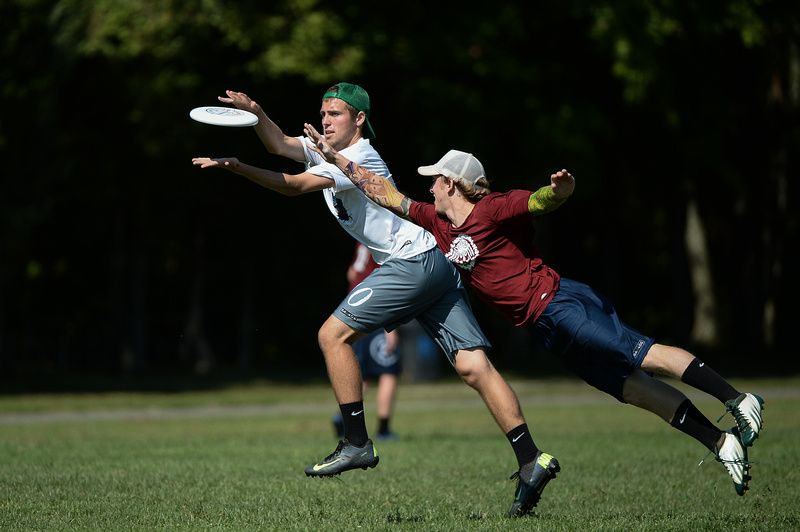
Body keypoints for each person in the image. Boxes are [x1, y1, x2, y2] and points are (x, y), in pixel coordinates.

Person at [303, 128, 765, 497]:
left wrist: (561, 191)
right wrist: (336, 156)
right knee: (633, 389)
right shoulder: (436, 221)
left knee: (640, 354)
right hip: (546, 329)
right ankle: (721, 442)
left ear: (454, 184)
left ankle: (738, 399)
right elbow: (384, 193)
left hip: (562, 305)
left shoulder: (495, 207)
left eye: (436, 180)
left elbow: (540, 201)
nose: (429, 186)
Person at [192, 83, 559, 517]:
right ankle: (531, 459)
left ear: (359, 120)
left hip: (413, 262)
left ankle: (356, 442)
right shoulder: (325, 149)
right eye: (323, 113)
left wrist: (238, 169)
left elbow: (292, 186)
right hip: (437, 262)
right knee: (473, 365)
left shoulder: (359, 158)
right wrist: (256, 112)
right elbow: (279, 144)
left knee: (332, 336)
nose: (326, 121)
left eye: (336, 114)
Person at [332, 242, 402, 441]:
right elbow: (387, 281)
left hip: (352, 309)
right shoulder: (384, 238)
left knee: (363, 374)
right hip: (374, 308)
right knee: (389, 371)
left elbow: (352, 273)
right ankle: (383, 429)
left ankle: (343, 416)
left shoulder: (361, 237)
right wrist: (391, 327)